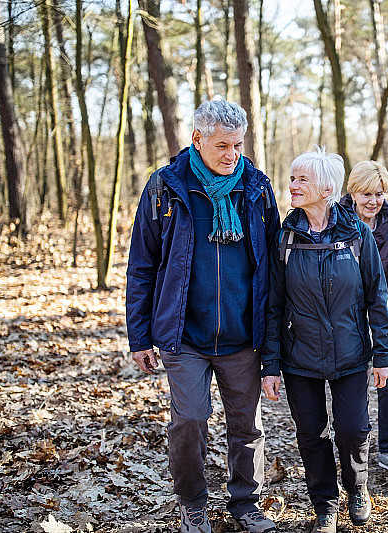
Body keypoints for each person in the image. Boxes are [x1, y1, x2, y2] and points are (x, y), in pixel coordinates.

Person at [126, 100, 279, 533]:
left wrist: (270, 345)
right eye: (222, 146)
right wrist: (139, 335)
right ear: (197, 140)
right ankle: (193, 502)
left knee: (246, 427)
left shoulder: (256, 188)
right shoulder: (166, 187)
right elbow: (141, 265)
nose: (232, 155)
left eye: (238, 145)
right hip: (184, 334)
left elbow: (271, 270)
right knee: (190, 420)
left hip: (242, 335)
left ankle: (245, 503)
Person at [261, 147, 388, 533]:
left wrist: (384, 353)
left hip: (351, 352)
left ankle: (357, 488)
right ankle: (325, 505)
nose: (293, 186)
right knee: (311, 434)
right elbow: (273, 304)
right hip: (299, 356)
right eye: (292, 178)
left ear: (327, 187)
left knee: (353, 429)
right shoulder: (285, 237)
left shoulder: (356, 233)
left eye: (302, 179)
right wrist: (270, 365)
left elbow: (377, 296)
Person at [340, 160, 388, 477]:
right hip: (344, 319)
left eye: (380, 194)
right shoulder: (336, 220)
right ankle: (350, 450)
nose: (373, 201)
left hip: (385, 318)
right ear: (353, 193)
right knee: (350, 388)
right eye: (366, 194)